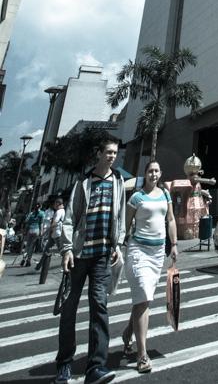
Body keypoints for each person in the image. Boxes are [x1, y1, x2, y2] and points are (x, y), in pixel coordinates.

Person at [54, 135, 126, 384]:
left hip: (103, 256)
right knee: (69, 309)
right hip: (79, 254)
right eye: (108, 152)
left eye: (115, 153)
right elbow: (70, 218)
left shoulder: (118, 181)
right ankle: (64, 364)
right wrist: (66, 249)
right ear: (99, 153)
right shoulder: (83, 182)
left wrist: (117, 244)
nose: (112, 156)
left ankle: (95, 367)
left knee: (99, 308)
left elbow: (121, 216)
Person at [121, 160, 178, 373]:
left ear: (160, 173)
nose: (153, 174)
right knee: (143, 297)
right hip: (138, 252)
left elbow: (170, 220)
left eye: (156, 171)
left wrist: (173, 245)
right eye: (150, 171)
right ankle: (142, 355)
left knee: (143, 300)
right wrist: (118, 247)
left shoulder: (165, 194)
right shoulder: (136, 197)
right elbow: (125, 226)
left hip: (156, 255)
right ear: (144, 174)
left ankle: (128, 333)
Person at [36, 198, 65, 270]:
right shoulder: (63, 211)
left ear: (58, 203)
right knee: (46, 249)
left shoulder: (59, 212)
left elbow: (54, 223)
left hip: (57, 234)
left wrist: (45, 232)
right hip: (54, 234)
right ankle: (39, 265)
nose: (54, 205)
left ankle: (66, 266)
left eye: (55, 203)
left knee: (62, 251)